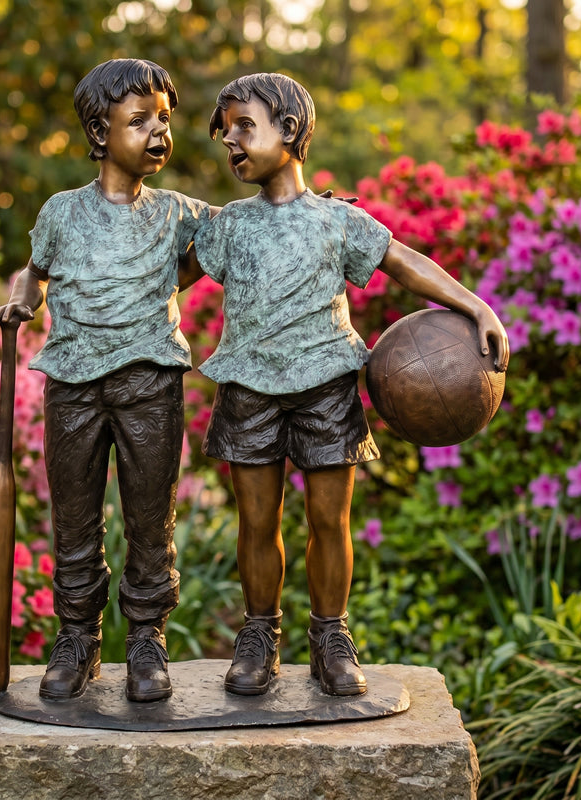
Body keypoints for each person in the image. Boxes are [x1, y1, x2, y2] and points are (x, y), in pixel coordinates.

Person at [190, 73, 509, 697]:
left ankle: (331, 635)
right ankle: (259, 635)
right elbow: (162, 279)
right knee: (256, 523)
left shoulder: (337, 221)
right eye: (224, 131)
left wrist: (476, 306)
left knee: (329, 522)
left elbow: (405, 262)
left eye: (243, 126)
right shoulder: (226, 227)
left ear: (289, 130)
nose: (230, 140)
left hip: (326, 390)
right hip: (248, 391)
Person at [0, 58, 215, 703]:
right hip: (74, 387)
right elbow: (35, 271)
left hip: (150, 385)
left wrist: (312, 209)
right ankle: (77, 636)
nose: (157, 132)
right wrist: (22, 302)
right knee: (75, 519)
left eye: (163, 119)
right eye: (138, 120)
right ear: (99, 129)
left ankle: (147, 638)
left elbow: (247, 229)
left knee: (150, 518)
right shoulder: (61, 211)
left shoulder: (178, 211)